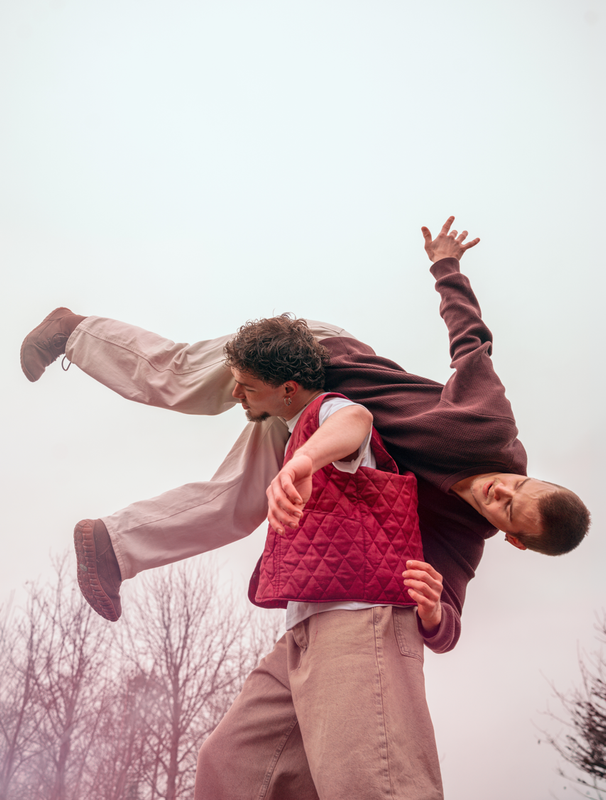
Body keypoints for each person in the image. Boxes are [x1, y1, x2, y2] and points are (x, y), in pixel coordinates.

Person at [20, 218, 590, 652]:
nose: (500, 490)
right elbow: (472, 344)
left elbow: (448, 616)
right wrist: (447, 266)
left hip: (313, 421)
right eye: (520, 486)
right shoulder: (489, 426)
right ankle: (72, 332)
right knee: (184, 382)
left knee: (244, 503)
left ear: (512, 538)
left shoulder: (461, 535)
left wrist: (436, 618)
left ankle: (111, 546)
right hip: (317, 357)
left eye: (508, 509)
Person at [196, 314, 444, 799]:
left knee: (370, 784)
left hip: (358, 624)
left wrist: (304, 461)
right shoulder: (295, 429)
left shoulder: (329, 412)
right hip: (303, 631)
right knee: (230, 767)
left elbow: (356, 420)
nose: (236, 393)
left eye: (247, 386)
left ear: (289, 389)